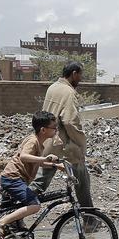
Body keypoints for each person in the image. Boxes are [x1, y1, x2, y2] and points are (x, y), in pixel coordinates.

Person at [0, 111, 65, 239]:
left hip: (16, 179)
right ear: (43, 130)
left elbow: (36, 162)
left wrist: (55, 166)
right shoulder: (33, 141)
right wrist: (45, 159)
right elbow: (24, 157)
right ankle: (0, 223)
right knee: (35, 205)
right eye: (54, 128)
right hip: (13, 179)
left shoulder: (39, 143)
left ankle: (5, 228)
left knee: (14, 216)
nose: (56, 130)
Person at [32, 62, 94, 210]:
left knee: (40, 181)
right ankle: (89, 216)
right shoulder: (69, 92)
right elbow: (70, 122)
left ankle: (17, 205)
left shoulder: (52, 87)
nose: (81, 79)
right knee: (81, 179)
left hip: (48, 142)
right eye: (80, 75)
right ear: (74, 74)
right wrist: (81, 144)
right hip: (64, 145)